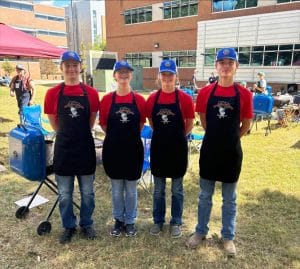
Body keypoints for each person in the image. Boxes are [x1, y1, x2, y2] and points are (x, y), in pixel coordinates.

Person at [186, 48, 253, 256]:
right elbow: (204, 118)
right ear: (216, 66)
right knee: (205, 195)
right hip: (209, 151)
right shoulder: (206, 92)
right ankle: (200, 232)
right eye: (221, 62)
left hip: (232, 153)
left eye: (230, 62)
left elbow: (246, 123)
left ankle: (227, 236)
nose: (225, 66)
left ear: (236, 67)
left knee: (230, 198)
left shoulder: (244, 94)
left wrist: (231, 140)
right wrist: (215, 137)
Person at [44, 51, 100, 244]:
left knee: (88, 192)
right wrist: (67, 134)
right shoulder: (52, 94)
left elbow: (91, 121)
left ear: (80, 67)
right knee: (65, 194)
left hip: (84, 148)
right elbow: (53, 123)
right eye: (67, 65)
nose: (71, 69)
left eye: (75, 65)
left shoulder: (91, 93)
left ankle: (86, 223)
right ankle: (68, 226)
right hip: (64, 149)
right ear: (61, 68)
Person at [146, 59, 194, 238]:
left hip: (177, 149)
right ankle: (158, 221)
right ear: (159, 77)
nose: (167, 78)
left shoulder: (185, 99)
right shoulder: (152, 99)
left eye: (170, 75)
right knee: (158, 190)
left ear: (176, 76)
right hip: (159, 149)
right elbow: (151, 122)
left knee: (177, 190)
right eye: (164, 75)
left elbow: (189, 124)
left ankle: (176, 221)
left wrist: (177, 137)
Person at [99, 60, 146, 237]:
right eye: (120, 72)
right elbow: (103, 125)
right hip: (113, 149)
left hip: (133, 149)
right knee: (117, 188)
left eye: (127, 72)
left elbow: (141, 124)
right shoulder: (106, 100)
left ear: (131, 75)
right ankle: (118, 220)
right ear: (115, 75)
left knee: (131, 189)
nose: (124, 75)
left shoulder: (140, 100)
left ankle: (130, 221)